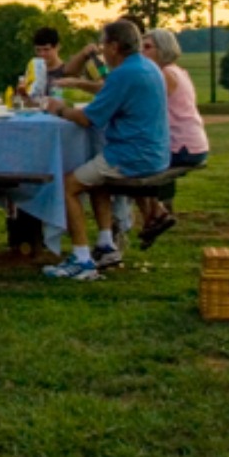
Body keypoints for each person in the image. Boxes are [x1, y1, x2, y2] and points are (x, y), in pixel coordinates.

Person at [39, 19, 169, 282]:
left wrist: (58, 109)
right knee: (93, 173)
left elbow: (89, 119)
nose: (102, 51)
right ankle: (106, 244)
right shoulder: (147, 67)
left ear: (114, 46)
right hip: (155, 153)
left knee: (68, 186)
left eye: (104, 44)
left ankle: (81, 259)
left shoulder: (123, 74)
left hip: (132, 156)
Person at [136, 28, 210, 248]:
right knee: (133, 159)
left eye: (147, 47)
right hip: (195, 143)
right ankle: (154, 215)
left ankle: (155, 214)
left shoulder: (163, 75)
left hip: (182, 146)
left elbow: (146, 108)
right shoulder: (179, 72)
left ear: (163, 49)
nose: (142, 52)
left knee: (128, 162)